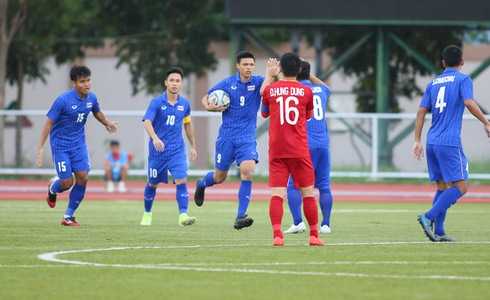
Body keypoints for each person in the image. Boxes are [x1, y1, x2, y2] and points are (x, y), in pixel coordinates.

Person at [413, 45, 490, 242]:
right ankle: (428, 217)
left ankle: (439, 231)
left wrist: (416, 140)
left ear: (443, 63)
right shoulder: (463, 79)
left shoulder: (434, 83)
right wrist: (486, 121)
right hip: (448, 142)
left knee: (442, 187)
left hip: (432, 141)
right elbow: (469, 103)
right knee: (461, 187)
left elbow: (421, 111)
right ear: (462, 62)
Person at [35, 65, 118, 226]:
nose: (86, 84)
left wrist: (107, 123)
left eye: (88, 80)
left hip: (78, 145)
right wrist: (40, 148)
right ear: (74, 82)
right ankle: (53, 188)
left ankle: (68, 216)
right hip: (61, 146)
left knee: (83, 177)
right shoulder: (63, 100)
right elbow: (48, 124)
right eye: (82, 81)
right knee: (67, 183)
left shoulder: (91, 98)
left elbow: (96, 112)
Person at [194, 51, 265, 230]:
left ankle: (241, 216)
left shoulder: (258, 82)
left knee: (247, 170)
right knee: (219, 177)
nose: (249, 68)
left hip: (247, 138)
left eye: (251, 64)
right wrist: (208, 105)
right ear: (238, 66)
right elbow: (206, 96)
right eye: (245, 64)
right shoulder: (227, 83)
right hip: (226, 137)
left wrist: (273, 73)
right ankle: (201, 184)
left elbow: (273, 84)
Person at [261, 52, 324, 246]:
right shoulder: (307, 92)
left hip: (277, 150)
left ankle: (278, 235)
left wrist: (269, 76)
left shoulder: (270, 91)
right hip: (299, 148)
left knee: (277, 194)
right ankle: (314, 235)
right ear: (298, 69)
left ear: (280, 68)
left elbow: (264, 113)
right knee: (308, 193)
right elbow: (306, 117)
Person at [140, 67, 198, 227]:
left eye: (177, 81)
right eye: (171, 80)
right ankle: (147, 213)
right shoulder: (157, 102)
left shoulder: (185, 104)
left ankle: (183, 215)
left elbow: (187, 125)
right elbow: (147, 122)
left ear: (181, 84)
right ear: (166, 83)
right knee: (152, 183)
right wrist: (155, 138)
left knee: (181, 179)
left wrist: (193, 146)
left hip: (177, 150)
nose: (174, 83)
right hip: (158, 152)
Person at [284, 61, 334, 235]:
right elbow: (326, 87)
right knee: (324, 186)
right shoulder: (321, 91)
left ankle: (298, 222)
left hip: (305, 145)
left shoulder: (297, 92)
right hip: (323, 144)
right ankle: (326, 224)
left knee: (293, 186)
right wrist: (307, 73)